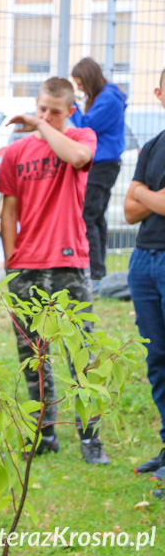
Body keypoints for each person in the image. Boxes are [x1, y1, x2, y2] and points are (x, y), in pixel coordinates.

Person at [0, 77, 106, 465]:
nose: (44, 116)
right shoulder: (16, 152)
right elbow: (8, 210)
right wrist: (12, 262)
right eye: (41, 109)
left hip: (69, 262)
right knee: (34, 354)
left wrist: (43, 126)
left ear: (69, 112)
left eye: (54, 112)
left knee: (82, 352)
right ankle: (44, 432)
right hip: (27, 265)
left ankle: (90, 438)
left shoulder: (82, 137)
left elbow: (76, 159)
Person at [124, 66, 165, 482]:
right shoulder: (153, 146)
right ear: (159, 94)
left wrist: (142, 193)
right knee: (157, 358)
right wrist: (151, 197)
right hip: (144, 260)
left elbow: (141, 200)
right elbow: (129, 210)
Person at [70, 57, 127, 288]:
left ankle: (94, 274)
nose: (80, 89)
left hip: (102, 165)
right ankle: (97, 272)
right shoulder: (107, 97)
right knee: (96, 217)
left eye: (81, 84)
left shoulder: (108, 100)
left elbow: (86, 125)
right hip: (101, 164)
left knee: (88, 217)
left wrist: (70, 105)